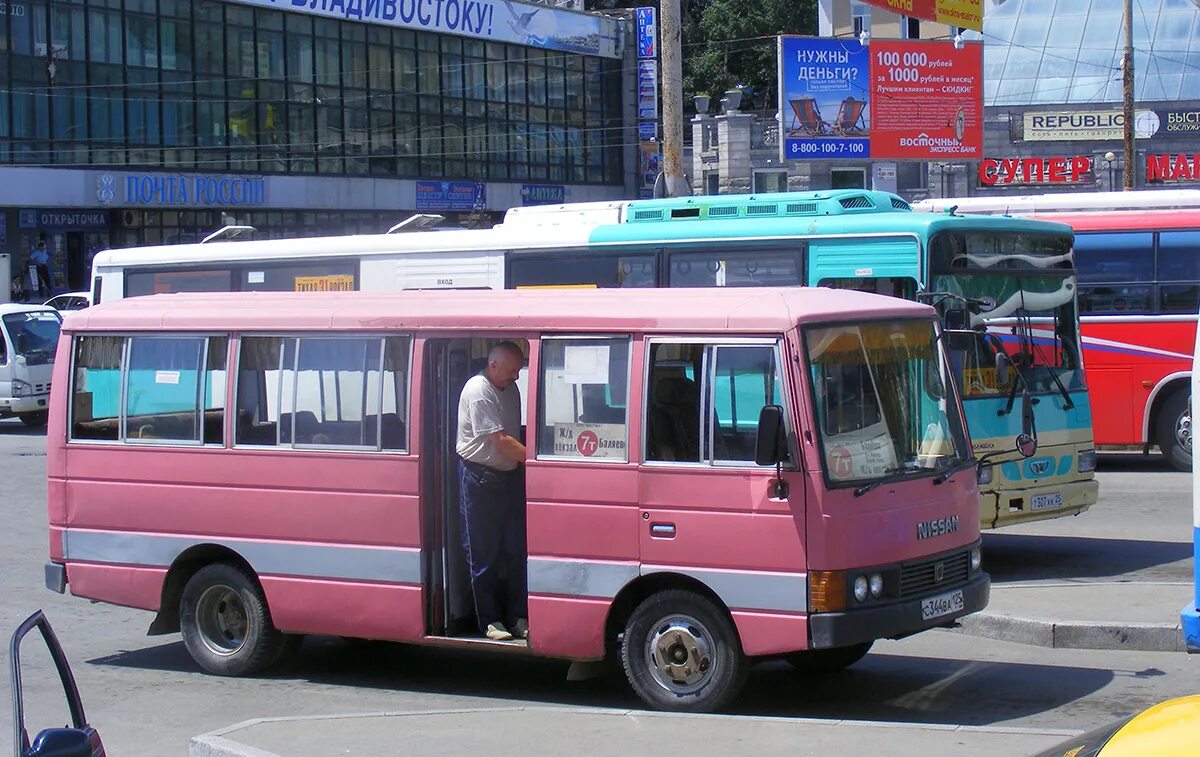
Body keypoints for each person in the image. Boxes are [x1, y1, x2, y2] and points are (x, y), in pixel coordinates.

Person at [456, 341, 528, 641]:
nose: (517, 377)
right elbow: (500, 440)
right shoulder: (478, 389)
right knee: (483, 555)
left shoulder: (509, 388)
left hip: (508, 477)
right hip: (479, 479)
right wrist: (539, 461)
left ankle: (516, 616)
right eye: (512, 370)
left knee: (516, 551)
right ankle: (489, 620)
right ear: (493, 365)